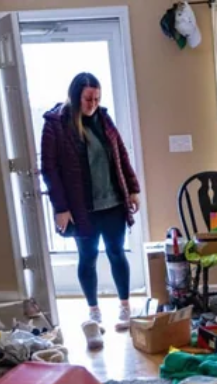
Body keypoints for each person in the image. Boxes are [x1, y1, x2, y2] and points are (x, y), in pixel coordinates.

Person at [41, 72, 140, 347]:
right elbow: (49, 169)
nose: (92, 104)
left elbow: (121, 154)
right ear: (75, 96)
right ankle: (94, 312)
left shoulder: (103, 119)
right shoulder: (56, 124)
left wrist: (132, 189)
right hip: (80, 207)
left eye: (96, 98)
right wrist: (61, 208)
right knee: (88, 257)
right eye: (87, 99)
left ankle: (124, 307)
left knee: (117, 252)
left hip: (112, 203)